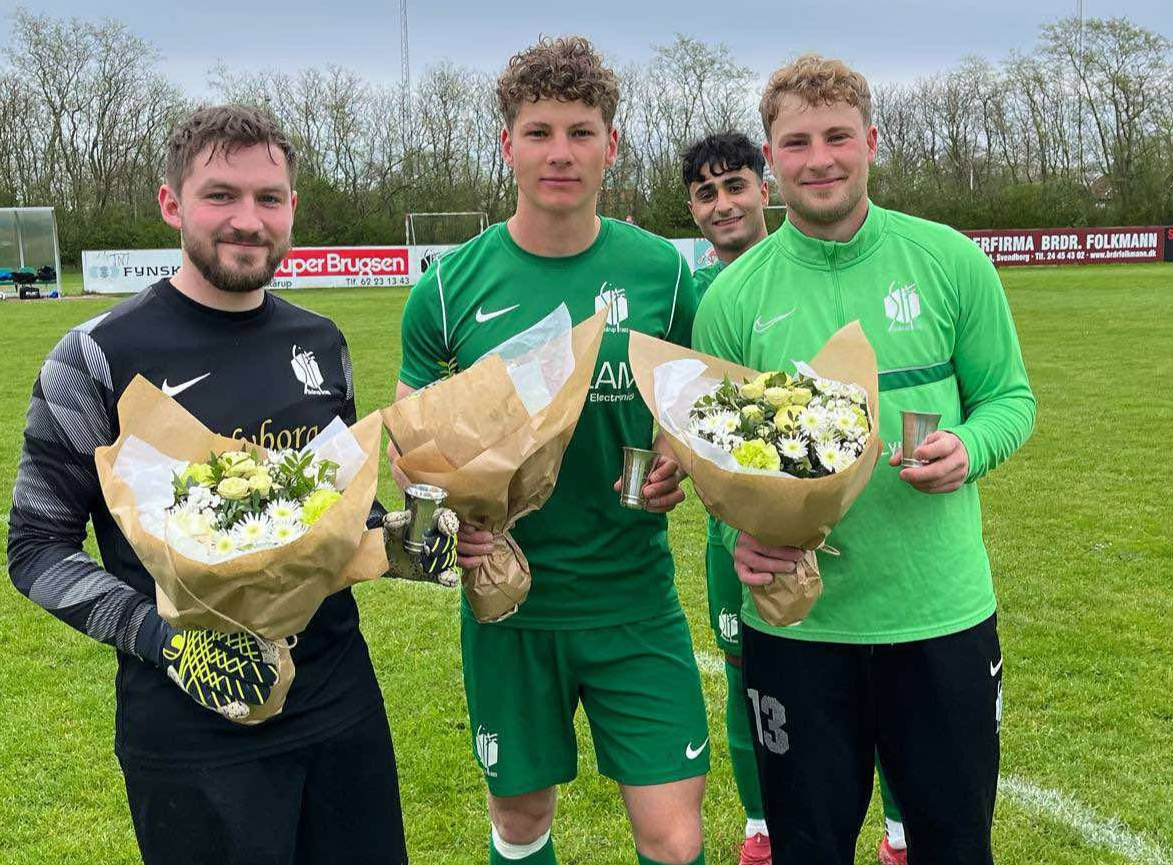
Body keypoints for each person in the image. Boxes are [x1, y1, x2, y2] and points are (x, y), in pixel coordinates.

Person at [7, 104, 448, 865]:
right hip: (189, 730)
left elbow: (335, 511)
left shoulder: (322, 343)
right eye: (221, 196)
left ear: (292, 210)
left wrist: (403, 542)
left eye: (268, 199)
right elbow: (36, 547)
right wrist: (165, 641)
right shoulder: (96, 356)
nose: (248, 219)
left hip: (339, 705)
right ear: (171, 202)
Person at [692, 56, 1036, 865]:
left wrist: (970, 447)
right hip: (802, 629)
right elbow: (711, 458)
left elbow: (1011, 398)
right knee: (808, 848)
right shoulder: (734, 298)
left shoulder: (949, 261)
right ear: (769, 159)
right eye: (797, 142)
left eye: (838, 136)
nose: (820, 159)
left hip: (939, 616)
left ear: (871, 141)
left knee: (954, 845)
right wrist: (741, 525)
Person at [394, 36, 708, 865]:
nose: (559, 152)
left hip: (633, 598)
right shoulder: (449, 288)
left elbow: (697, 396)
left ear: (613, 143)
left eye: (580, 130)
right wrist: (442, 519)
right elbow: (410, 448)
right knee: (522, 821)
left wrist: (677, 453)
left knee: (673, 837)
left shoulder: (664, 275)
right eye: (538, 132)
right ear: (507, 146)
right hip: (510, 608)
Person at [682, 131, 912, 865]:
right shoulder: (696, 295)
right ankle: (760, 824)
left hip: (858, 536)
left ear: (765, 184)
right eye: (705, 193)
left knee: (878, 677)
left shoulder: (815, 272)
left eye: (735, 186)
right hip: (739, 535)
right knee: (746, 671)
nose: (724, 205)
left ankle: (901, 831)